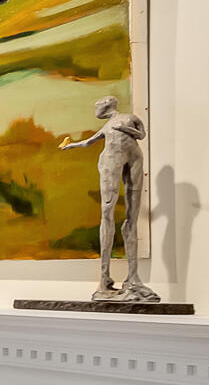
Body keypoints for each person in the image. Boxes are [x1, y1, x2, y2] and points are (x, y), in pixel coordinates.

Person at [59, 95, 156, 301]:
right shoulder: (107, 126)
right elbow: (88, 142)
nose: (96, 110)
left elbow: (142, 135)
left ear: (106, 105)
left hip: (135, 158)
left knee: (131, 217)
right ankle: (104, 280)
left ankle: (133, 279)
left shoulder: (129, 118)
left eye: (98, 106)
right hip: (111, 160)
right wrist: (71, 146)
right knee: (107, 213)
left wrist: (126, 129)